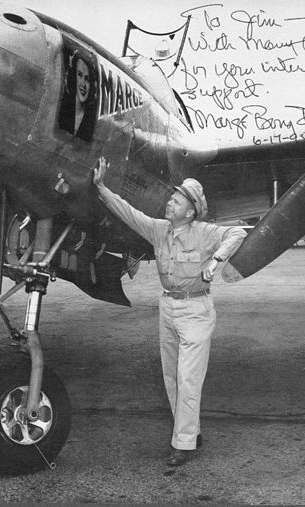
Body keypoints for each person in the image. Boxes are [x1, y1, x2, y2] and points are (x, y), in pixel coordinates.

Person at [93, 156, 246, 467]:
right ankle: (190, 431)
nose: (169, 203)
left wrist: (216, 260)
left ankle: (183, 445)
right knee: (171, 377)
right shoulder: (159, 230)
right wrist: (101, 187)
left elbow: (238, 233)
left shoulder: (204, 232)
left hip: (195, 309)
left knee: (189, 378)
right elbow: (128, 212)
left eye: (176, 201)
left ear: (190, 211)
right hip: (167, 307)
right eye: (171, 199)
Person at [58, 47, 97, 142]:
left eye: (87, 79)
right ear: (74, 76)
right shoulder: (62, 110)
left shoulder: (91, 120)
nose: (83, 84)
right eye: (80, 75)